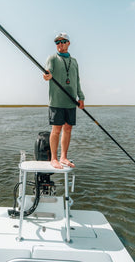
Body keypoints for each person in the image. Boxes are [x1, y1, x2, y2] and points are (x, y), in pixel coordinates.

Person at [43, 32, 85, 169]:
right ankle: (54, 159)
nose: (60, 44)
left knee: (68, 129)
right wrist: (47, 76)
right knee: (56, 130)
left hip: (71, 101)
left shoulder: (74, 61)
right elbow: (47, 73)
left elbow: (76, 80)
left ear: (68, 43)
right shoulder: (52, 58)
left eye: (62, 41)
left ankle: (64, 157)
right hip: (56, 101)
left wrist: (81, 97)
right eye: (57, 42)